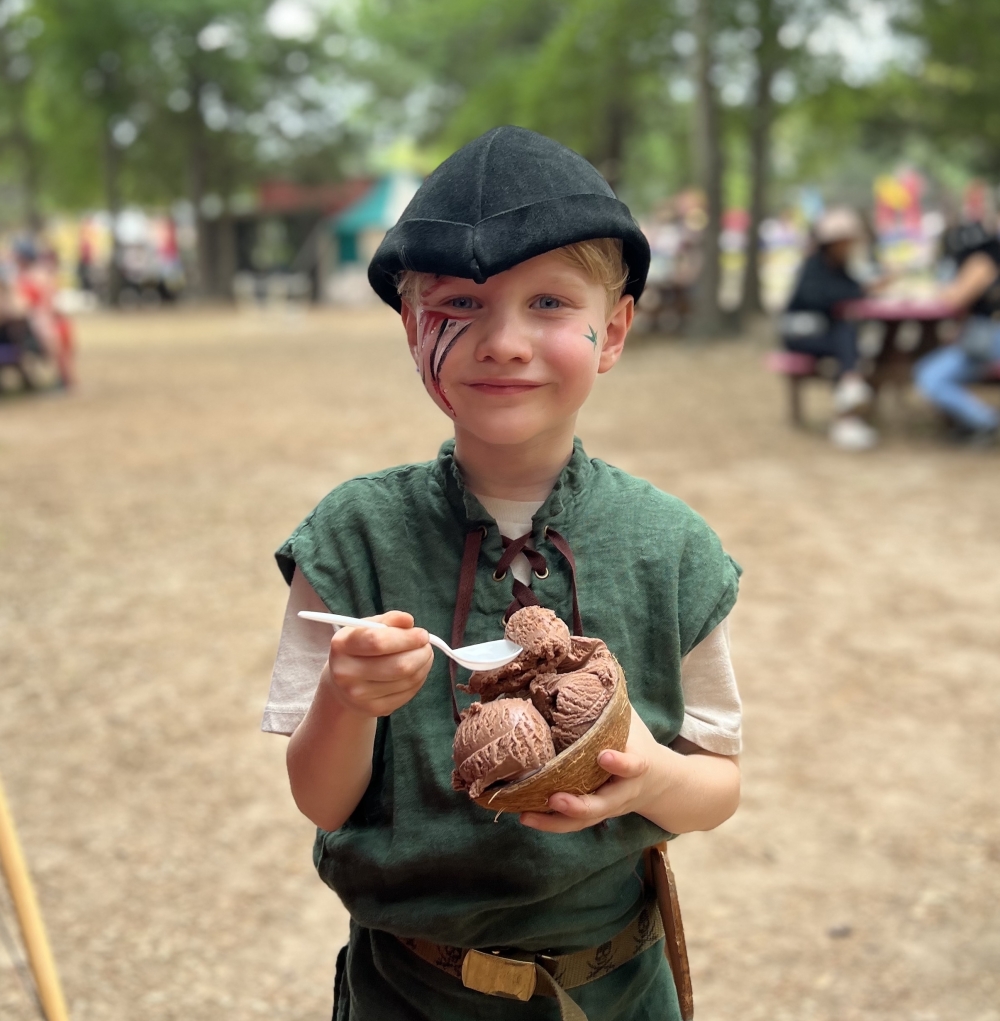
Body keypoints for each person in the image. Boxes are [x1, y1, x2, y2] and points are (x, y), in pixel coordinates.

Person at [262, 127, 743, 1021]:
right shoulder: (352, 538)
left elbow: (719, 782)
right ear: (413, 330)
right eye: (458, 305)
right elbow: (319, 797)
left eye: (551, 302)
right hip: (407, 988)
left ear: (615, 331)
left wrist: (649, 781)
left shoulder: (671, 547)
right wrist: (348, 698)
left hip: (617, 987)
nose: (505, 342)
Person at [781, 207, 892, 451]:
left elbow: (852, 290)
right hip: (799, 335)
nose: (850, 247)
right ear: (832, 243)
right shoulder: (813, 267)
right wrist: (864, 290)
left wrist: (871, 286)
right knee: (847, 342)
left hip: (826, 336)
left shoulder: (839, 267)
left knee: (848, 344)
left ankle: (848, 411)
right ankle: (848, 405)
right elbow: (822, 298)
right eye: (846, 242)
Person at [913, 221, 1000, 445]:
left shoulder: (984, 259)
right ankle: (978, 422)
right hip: (983, 339)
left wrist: (938, 289)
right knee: (930, 372)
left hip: (989, 340)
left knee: (930, 376)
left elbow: (955, 298)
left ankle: (985, 421)